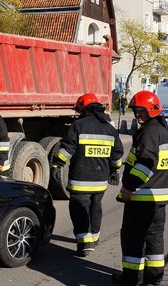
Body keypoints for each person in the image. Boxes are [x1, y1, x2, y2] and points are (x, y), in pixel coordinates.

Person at [51, 93, 124, 256]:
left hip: (80, 179)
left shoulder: (78, 126)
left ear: (83, 108)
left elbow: (67, 150)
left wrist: (56, 164)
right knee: (95, 207)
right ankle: (95, 237)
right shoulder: (110, 129)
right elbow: (117, 154)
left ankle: (85, 243)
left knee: (79, 209)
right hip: (100, 181)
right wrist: (114, 171)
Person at [113, 90, 168, 286]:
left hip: (142, 196)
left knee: (133, 238)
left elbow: (146, 164)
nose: (137, 115)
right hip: (159, 197)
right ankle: (154, 275)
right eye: (135, 111)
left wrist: (129, 187)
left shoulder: (148, 132)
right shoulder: (163, 131)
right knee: (154, 237)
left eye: (141, 111)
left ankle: (131, 277)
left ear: (151, 111)